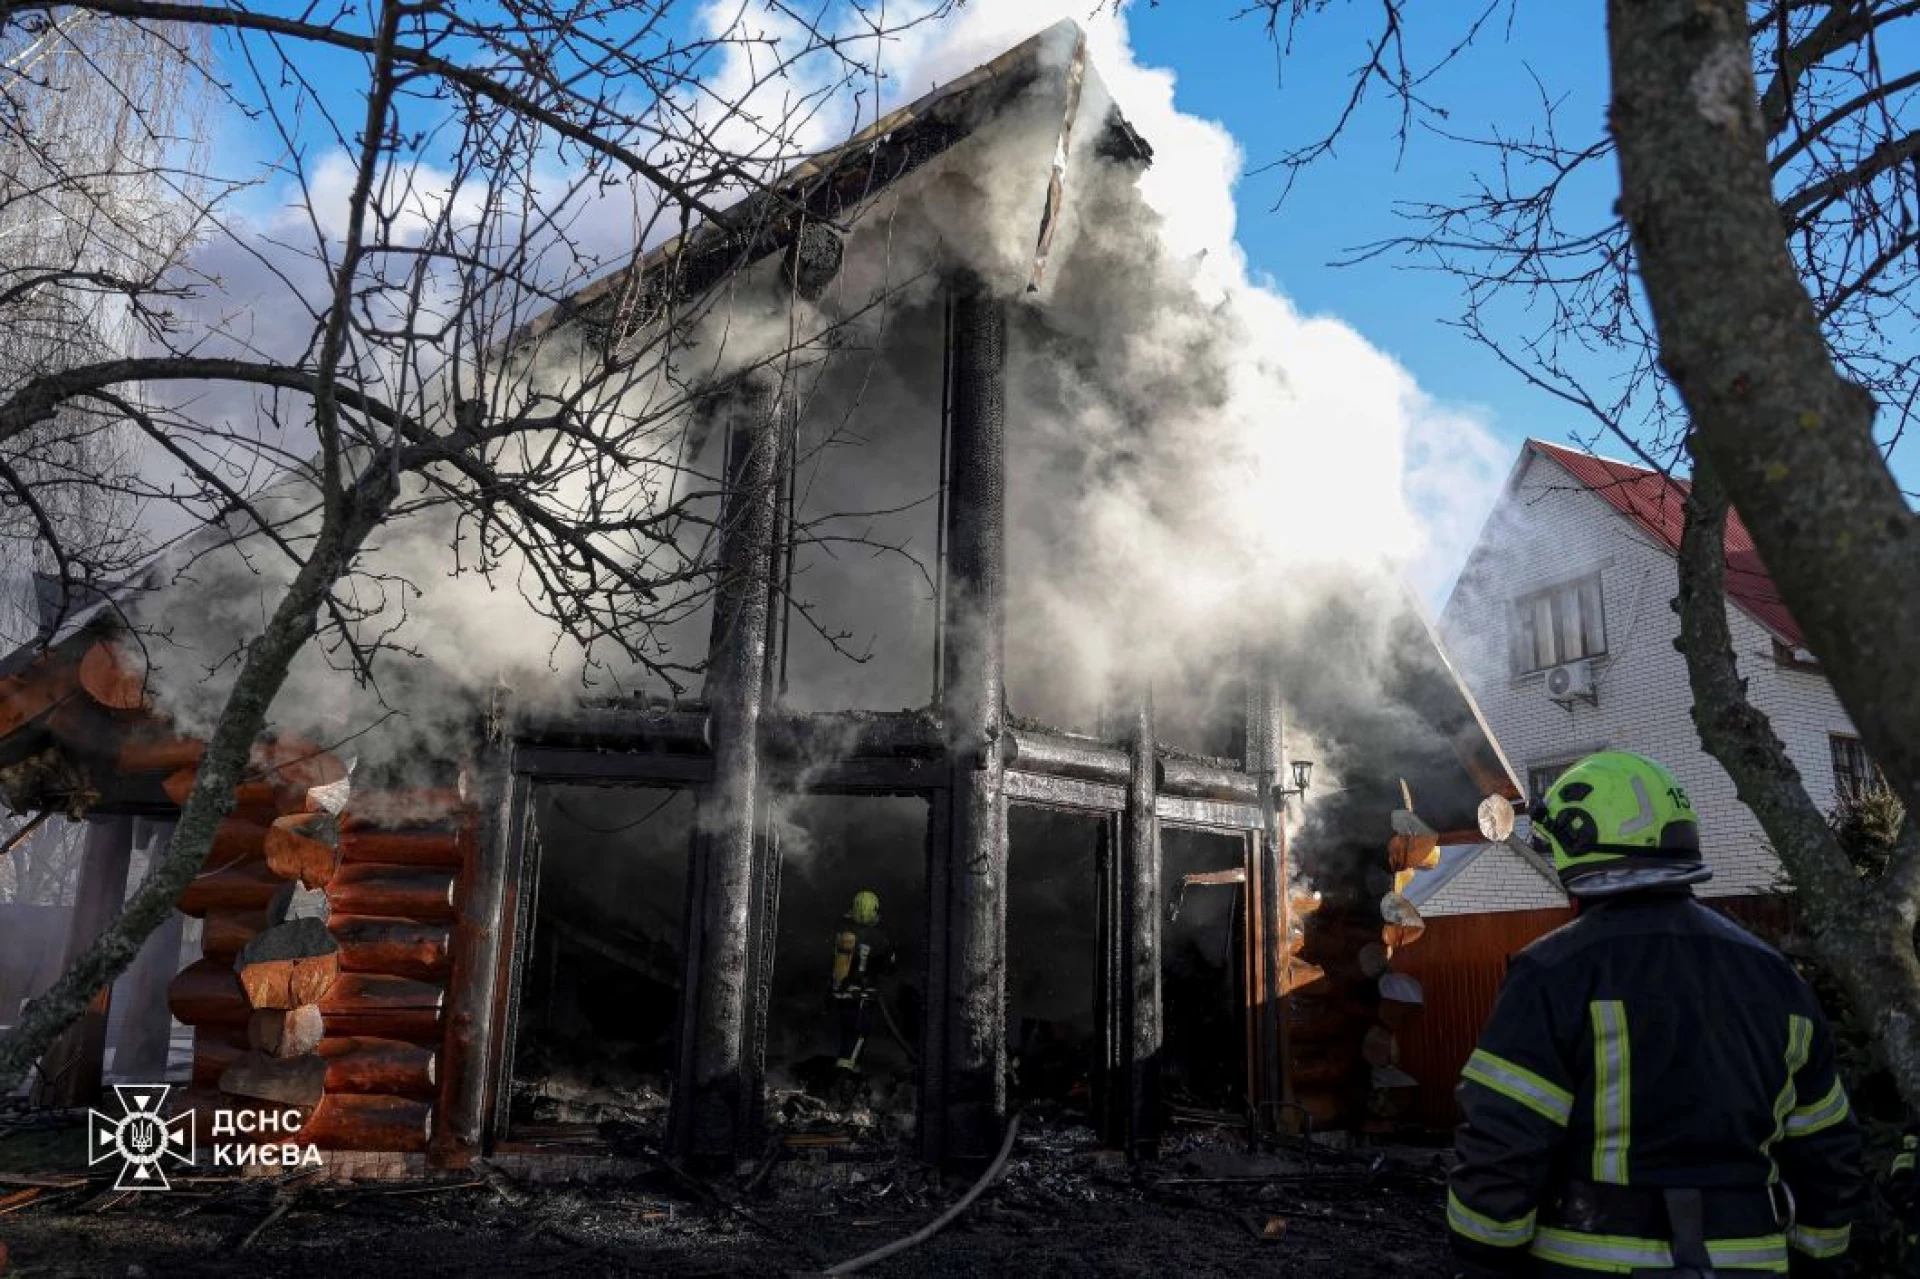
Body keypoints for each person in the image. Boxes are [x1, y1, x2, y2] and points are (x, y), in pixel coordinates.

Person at [1448, 751, 1863, 1277]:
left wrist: (1483, 1259)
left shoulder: (1553, 974)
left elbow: (1503, 1141)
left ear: (1580, 841)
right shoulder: (1775, 977)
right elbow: (1828, 1148)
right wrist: (1818, 1260)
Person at [829, 889, 895, 1093]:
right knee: (858, 1039)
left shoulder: (842, 929)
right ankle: (840, 1087)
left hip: (841, 996)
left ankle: (851, 1084)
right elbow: (890, 968)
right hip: (863, 998)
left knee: (847, 1038)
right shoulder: (881, 937)